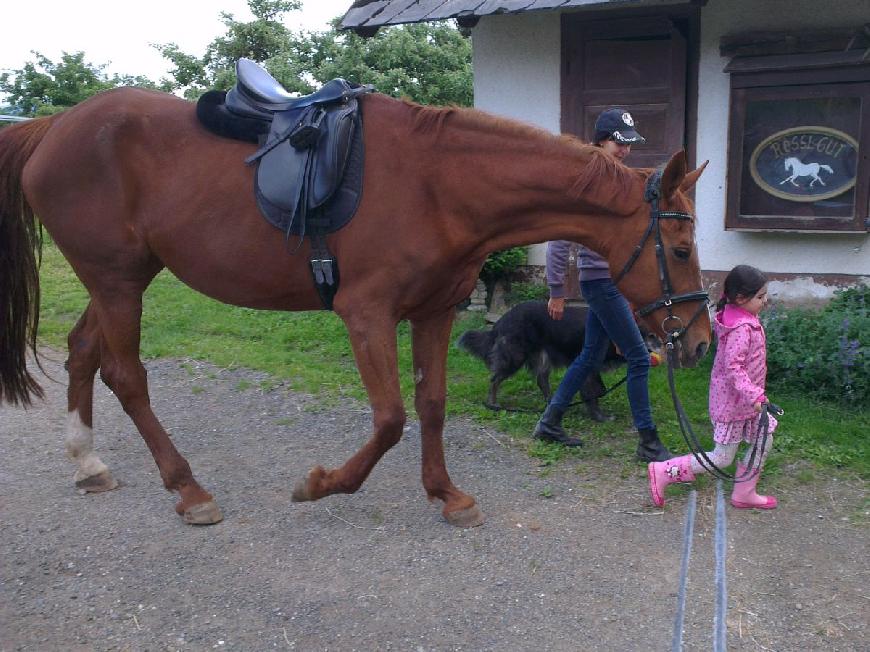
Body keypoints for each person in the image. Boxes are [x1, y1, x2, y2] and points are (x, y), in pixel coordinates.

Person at [532, 108, 671, 463]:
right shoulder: (589, 184)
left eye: (628, 144)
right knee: (640, 357)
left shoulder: (616, 180)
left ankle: (550, 422)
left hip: (610, 285)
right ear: (601, 141)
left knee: (590, 355)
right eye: (617, 143)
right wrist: (556, 291)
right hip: (599, 283)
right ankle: (648, 442)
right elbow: (559, 240)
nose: (624, 151)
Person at [647, 264, 778, 509]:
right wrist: (755, 395)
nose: (766, 301)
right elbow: (733, 369)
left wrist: (754, 397)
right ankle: (664, 471)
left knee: (764, 439)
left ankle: (744, 492)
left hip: (747, 403)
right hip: (733, 404)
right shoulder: (740, 328)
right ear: (740, 298)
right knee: (722, 457)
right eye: (760, 297)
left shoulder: (744, 317)